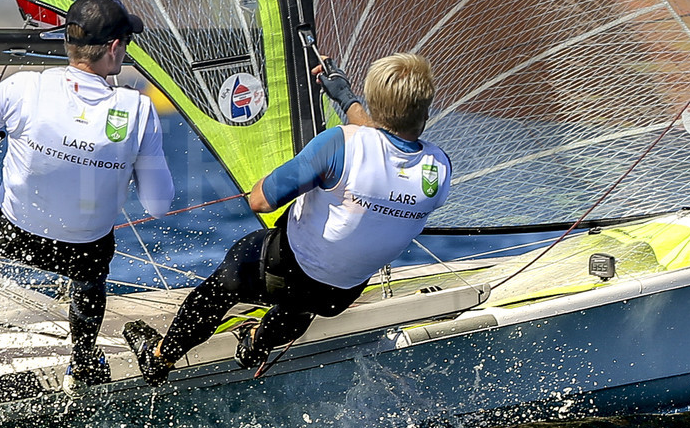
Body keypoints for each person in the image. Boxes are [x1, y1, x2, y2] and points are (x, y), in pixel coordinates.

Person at [0, 0, 174, 409]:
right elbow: (158, 205)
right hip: (83, 250)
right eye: (127, 42)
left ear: (68, 41)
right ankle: (82, 364)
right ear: (114, 48)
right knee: (92, 268)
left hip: (11, 230)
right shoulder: (137, 109)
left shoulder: (24, 87)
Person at [124, 52, 451, 385]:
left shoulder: (339, 143)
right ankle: (256, 343)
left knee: (234, 274)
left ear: (374, 103)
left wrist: (268, 179)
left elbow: (261, 201)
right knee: (305, 298)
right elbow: (387, 146)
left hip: (286, 272)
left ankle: (160, 356)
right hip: (338, 296)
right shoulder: (439, 168)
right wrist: (345, 98)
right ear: (425, 111)